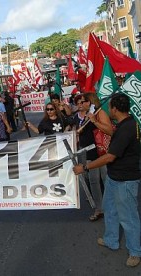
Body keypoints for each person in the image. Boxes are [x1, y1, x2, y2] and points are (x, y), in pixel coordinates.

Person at [73, 93, 141, 267]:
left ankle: (135, 252)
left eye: (109, 106)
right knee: (110, 210)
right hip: (114, 177)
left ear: (115, 109)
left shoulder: (127, 128)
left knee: (128, 217)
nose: (107, 109)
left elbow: (109, 157)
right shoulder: (124, 124)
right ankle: (111, 239)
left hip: (125, 180)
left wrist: (85, 167)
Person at [73, 93, 113, 221]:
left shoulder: (98, 113)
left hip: (101, 151)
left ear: (89, 103)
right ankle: (99, 208)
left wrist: (94, 121)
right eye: (78, 102)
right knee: (93, 180)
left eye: (83, 102)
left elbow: (109, 130)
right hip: (88, 152)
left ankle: (111, 207)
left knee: (106, 179)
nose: (80, 104)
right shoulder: (77, 117)